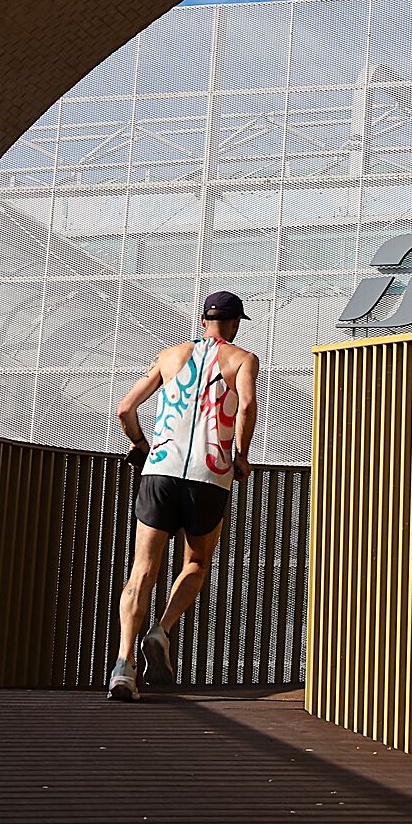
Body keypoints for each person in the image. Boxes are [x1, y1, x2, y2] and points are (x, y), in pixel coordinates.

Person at [106, 290, 259, 701]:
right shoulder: (242, 359)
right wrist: (240, 456)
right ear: (234, 323)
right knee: (195, 562)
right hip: (210, 475)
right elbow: (245, 406)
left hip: (160, 470)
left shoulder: (169, 355)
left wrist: (141, 444)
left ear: (203, 319)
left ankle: (123, 664)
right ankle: (161, 630)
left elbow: (125, 408)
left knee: (142, 570)